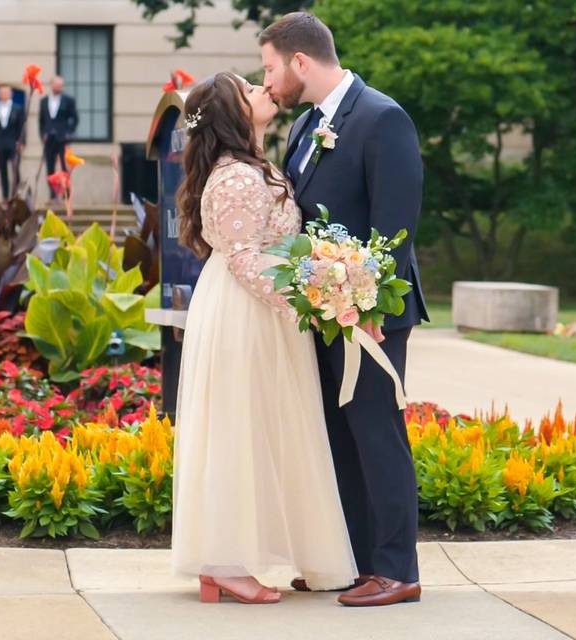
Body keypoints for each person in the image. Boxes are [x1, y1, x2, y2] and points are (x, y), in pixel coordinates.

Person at [260, 12, 428, 607]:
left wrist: (365, 299)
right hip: (321, 312)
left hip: (370, 316)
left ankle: (396, 570)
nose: (269, 80)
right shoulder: (305, 126)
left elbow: (395, 229)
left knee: (378, 435)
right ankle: (354, 563)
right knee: (338, 437)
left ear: (300, 62)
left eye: (271, 68)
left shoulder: (383, 119)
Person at [170, 71, 358, 605]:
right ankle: (224, 562)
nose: (261, 89)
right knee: (240, 429)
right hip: (245, 313)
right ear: (233, 111)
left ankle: (228, 562)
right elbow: (246, 259)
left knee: (260, 430)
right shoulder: (235, 178)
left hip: (259, 311)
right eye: (247, 87)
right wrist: (313, 301)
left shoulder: (250, 168)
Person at [38, 75, 78, 198]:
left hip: (62, 139)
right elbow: (41, 121)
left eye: (61, 85)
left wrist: (69, 133)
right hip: (49, 139)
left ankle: (66, 195)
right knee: (50, 167)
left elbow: (75, 119)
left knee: (64, 167)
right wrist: (42, 134)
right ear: (52, 85)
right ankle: (52, 195)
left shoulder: (69, 100)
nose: (59, 87)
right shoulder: (43, 101)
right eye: (57, 85)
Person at [0, 85, 24, 200]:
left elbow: (22, 127)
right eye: (2, 93)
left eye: (6, 92)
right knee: (2, 171)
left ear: (10, 94)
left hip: (13, 143)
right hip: (0, 144)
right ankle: (5, 195)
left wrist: (22, 142)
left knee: (15, 169)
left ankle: (17, 195)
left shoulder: (17, 108)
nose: (4, 95)